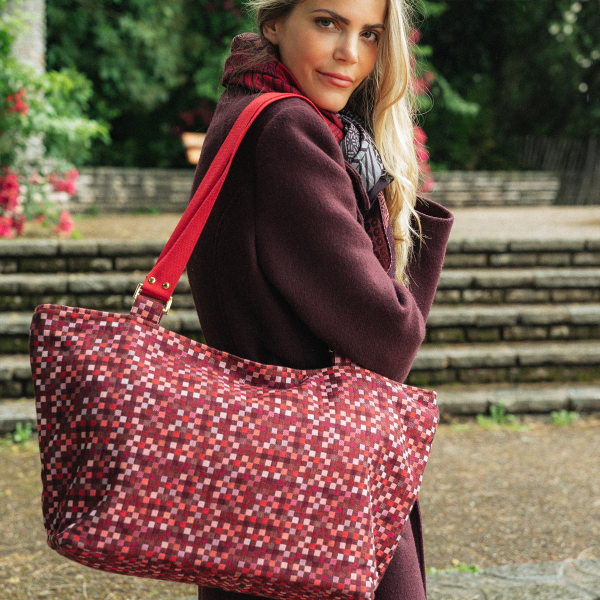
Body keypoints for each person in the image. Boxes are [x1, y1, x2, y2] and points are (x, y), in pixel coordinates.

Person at [186, 0, 454, 597]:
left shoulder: (254, 113)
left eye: (370, 35)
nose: (349, 55)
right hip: (314, 484)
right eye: (328, 23)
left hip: (267, 476)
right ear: (275, 22)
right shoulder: (288, 130)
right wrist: (414, 230)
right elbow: (391, 336)